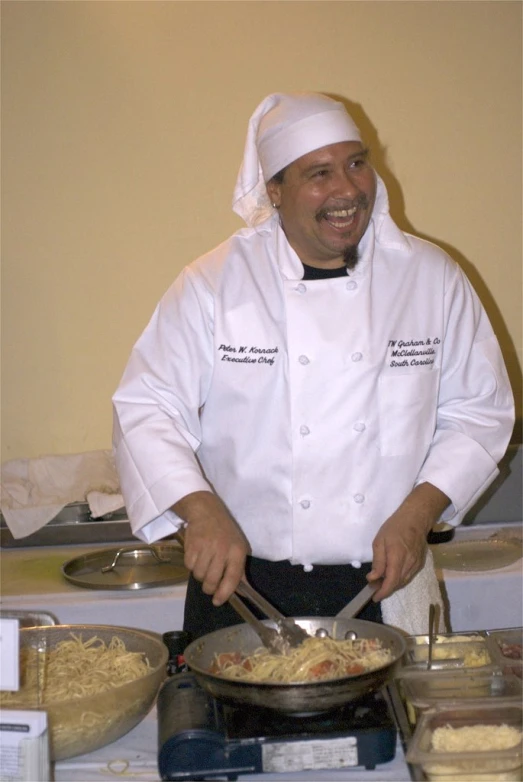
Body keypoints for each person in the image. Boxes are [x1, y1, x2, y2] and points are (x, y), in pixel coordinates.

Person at [112, 92, 514, 640]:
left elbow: (479, 412)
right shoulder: (216, 284)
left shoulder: (430, 277)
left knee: (395, 726)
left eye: (356, 163)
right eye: (319, 173)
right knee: (232, 724)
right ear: (274, 191)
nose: (347, 189)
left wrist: (418, 515)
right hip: (243, 587)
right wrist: (200, 509)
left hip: (386, 582)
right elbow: (147, 405)